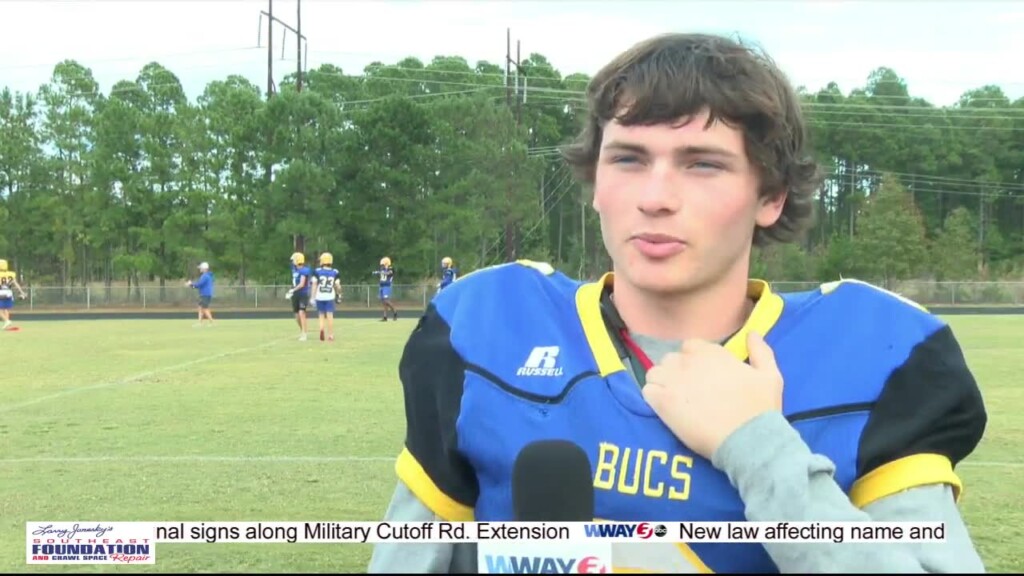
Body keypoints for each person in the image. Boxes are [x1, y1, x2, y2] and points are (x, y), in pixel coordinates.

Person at [368, 33, 988, 573]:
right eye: (629, 159)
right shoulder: (486, 329)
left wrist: (758, 446)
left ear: (769, 196)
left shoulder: (870, 357)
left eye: (702, 165)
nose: (656, 197)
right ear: (595, 184)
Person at [310, 252, 342, 342]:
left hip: (319, 296)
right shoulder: (335, 272)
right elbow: (337, 285)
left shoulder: (317, 271)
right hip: (329, 296)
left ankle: (321, 329)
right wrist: (339, 294)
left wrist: (312, 297)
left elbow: (314, 284)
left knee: (321, 315)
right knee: (330, 316)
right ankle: (331, 335)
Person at [286, 252, 311, 341]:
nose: (292, 262)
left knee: (301, 313)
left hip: (303, 294)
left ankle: (304, 333)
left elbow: (301, 284)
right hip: (295, 295)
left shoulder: (305, 270)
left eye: (294, 260)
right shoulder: (294, 269)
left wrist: (292, 290)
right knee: (296, 315)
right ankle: (302, 331)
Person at [0, 259, 27, 331]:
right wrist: (22, 292)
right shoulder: (11, 274)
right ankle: (7, 324)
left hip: (1, 292)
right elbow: (16, 284)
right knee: (5, 308)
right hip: (9, 293)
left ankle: (7, 321)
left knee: (1, 309)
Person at [186, 261, 215, 327]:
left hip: (205, 294)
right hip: (205, 294)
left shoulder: (205, 276)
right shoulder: (206, 276)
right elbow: (198, 286)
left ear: (204, 269)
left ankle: (212, 322)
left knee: (205, 308)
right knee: (200, 308)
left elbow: (199, 285)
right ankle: (200, 323)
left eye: (201, 268)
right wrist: (191, 285)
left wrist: (191, 284)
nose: (200, 269)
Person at [375, 256, 398, 322]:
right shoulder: (382, 269)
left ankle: (395, 312)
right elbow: (381, 275)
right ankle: (385, 317)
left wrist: (381, 272)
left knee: (386, 301)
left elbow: (389, 273)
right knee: (383, 302)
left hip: (387, 286)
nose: (382, 265)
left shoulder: (391, 268)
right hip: (381, 286)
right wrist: (377, 272)